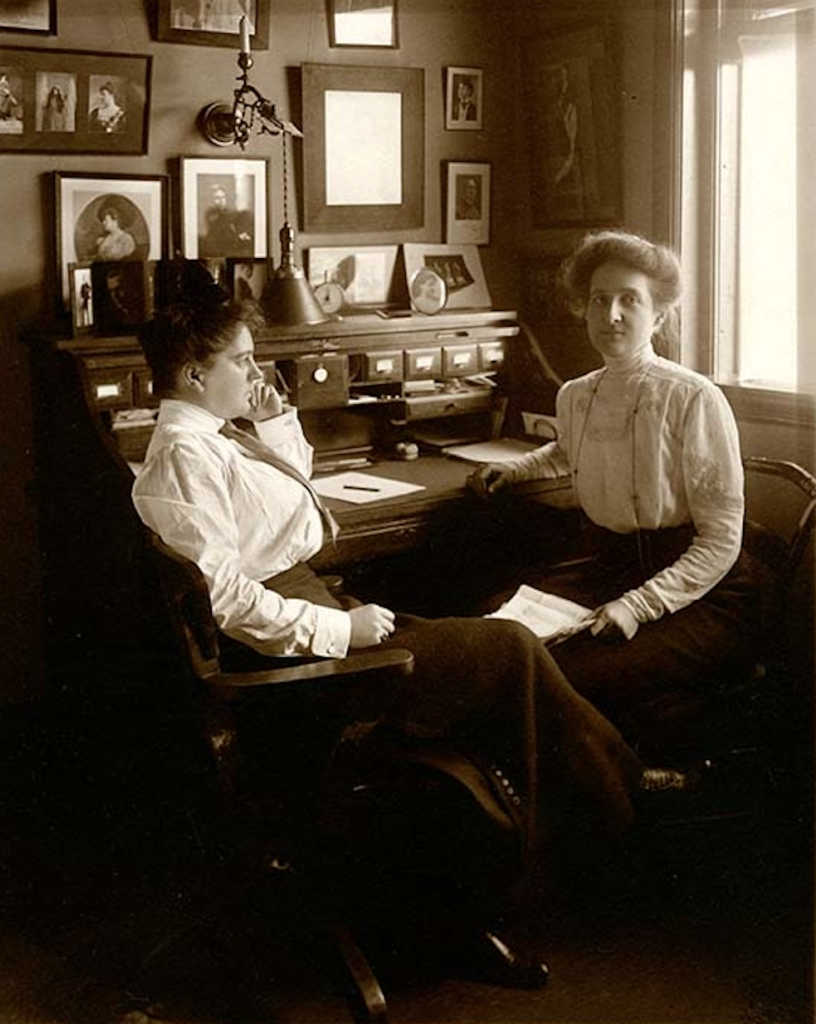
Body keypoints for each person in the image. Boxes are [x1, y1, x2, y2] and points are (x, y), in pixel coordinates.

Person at [130, 296, 691, 947]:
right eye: (243, 360)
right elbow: (225, 598)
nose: (258, 372)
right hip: (306, 671)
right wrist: (343, 632)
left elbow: (285, 502)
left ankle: (575, 824)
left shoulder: (214, 439)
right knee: (509, 647)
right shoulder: (185, 459)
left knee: (502, 649)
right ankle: (612, 817)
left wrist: (276, 416)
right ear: (195, 376)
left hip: (314, 621)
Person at [469, 230, 761, 763]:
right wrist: (512, 471)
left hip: (699, 589)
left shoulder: (693, 398)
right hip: (609, 566)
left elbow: (721, 539)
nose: (612, 315)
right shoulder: (576, 394)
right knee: (494, 633)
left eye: (631, 300)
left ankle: (617, 785)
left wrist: (635, 607)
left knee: (563, 671)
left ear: (660, 316)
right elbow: (569, 451)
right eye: (600, 300)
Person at [200, 183, 253, 258]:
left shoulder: (231, 213)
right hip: (215, 248)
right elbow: (219, 234)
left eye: (223, 197)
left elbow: (235, 230)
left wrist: (241, 235)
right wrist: (237, 237)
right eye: (217, 198)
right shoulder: (210, 214)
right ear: (212, 200)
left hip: (230, 247)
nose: (221, 201)